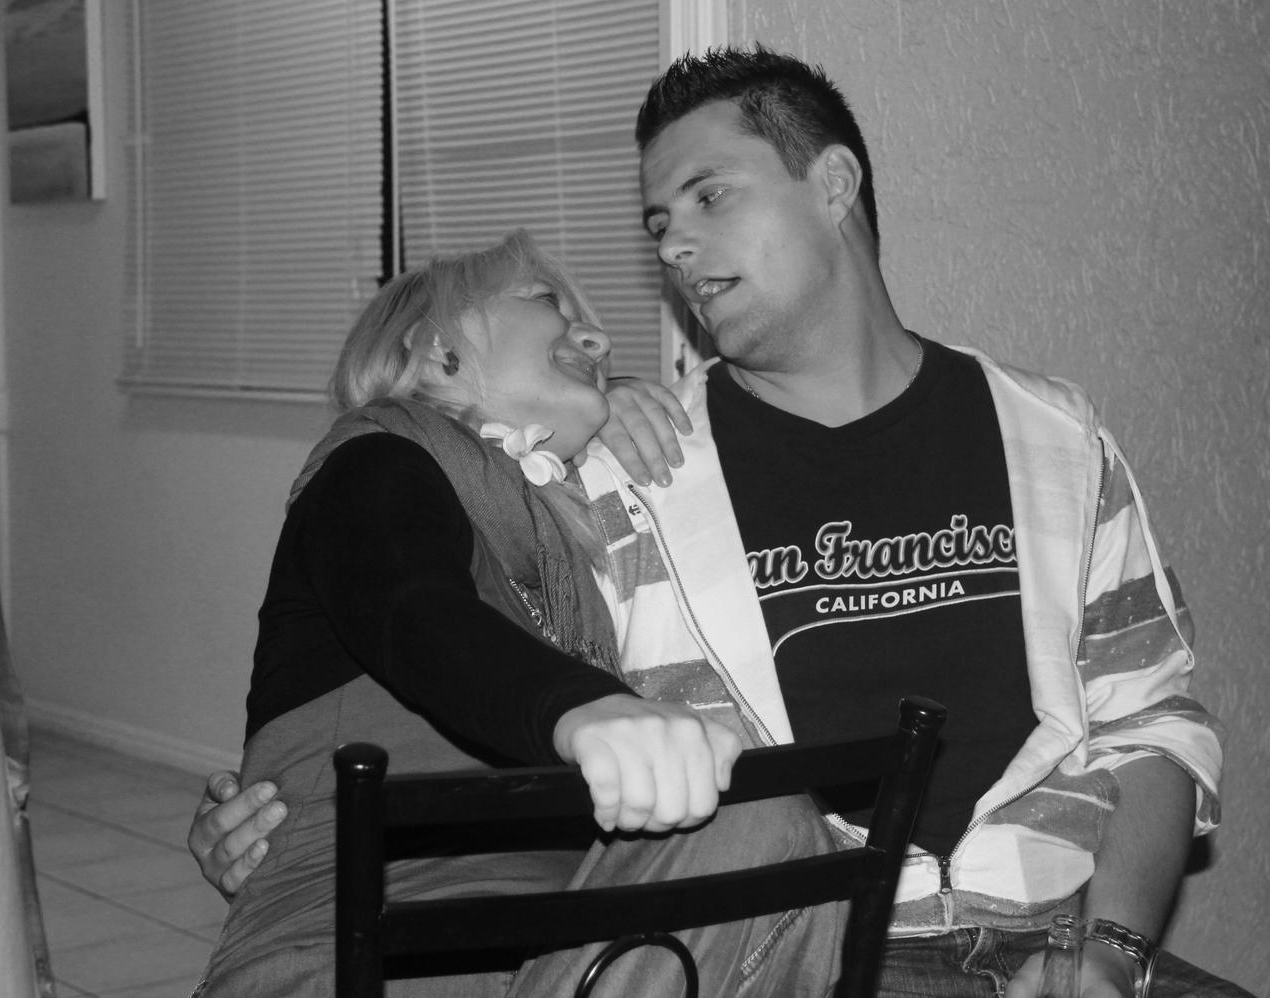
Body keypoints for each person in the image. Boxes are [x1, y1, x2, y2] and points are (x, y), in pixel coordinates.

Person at [192, 48, 1248, 998]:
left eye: (709, 196)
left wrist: (1113, 953)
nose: (675, 251)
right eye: (659, 226)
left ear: (833, 184)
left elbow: (1151, 723)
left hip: (1066, 942)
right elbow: (427, 620)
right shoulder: (617, 484)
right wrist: (273, 813)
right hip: (802, 943)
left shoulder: (1056, 438)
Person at [190, 228, 848, 998]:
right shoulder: (370, 468)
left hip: (554, 952)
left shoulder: (568, 548)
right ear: (438, 350)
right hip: (361, 951)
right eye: (547, 304)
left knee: (772, 824)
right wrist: (586, 711)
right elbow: (415, 614)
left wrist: (610, 397)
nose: (597, 339)